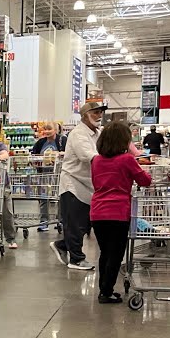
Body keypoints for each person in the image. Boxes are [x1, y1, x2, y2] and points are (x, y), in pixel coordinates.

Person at [89, 121, 151, 303]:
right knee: (115, 254)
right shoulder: (127, 159)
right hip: (118, 212)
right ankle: (106, 292)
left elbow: (96, 182)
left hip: (98, 211)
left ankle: (104, 290)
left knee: (105, 252)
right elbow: (144, 180)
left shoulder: (96, 160)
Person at [52, 102, 106, 270]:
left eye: (100, 112)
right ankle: (76, 259)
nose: (99, 115)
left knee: (85, 223)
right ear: (84, 115)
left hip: (89, 184)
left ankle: (63, 245)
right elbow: (86, 156)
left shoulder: (98, 133)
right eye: (95, 112)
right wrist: (112, 162)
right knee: (75, 223)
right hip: (73, 183)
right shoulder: (78, 134)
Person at [29, 122, 67, 231]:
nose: (46, 131)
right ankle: (44, 222)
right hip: (43, 174)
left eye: (49, 129)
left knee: (60, 197)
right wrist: (35, 161)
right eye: (45, 129)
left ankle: (61, 220)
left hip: (59, 173)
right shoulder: (41, 142)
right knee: (43, 197)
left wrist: (60, 154)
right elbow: (33, 155)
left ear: (56, 130)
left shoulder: (62, 140)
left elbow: (69, 152)